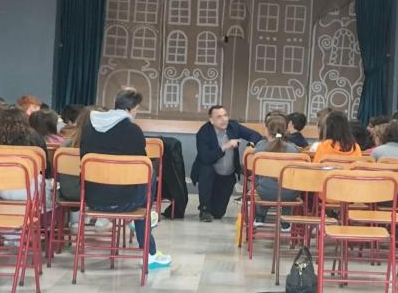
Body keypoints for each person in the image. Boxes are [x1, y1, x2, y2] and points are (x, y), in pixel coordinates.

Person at [79, 87, 171, 269]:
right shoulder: (133, 131)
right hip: (127, 202)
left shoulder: (89, 128)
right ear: (131, 108)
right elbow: (141, 169)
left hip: (93, 200)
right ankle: (149, 251)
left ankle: (146, 220)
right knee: (149, 171)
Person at [192, 105, 262, 222]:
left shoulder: (233, 126)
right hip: (210, 173)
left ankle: (212, 207)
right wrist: (224, 147)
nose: (224, 119)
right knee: (206, 169)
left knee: (218, 213)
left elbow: (256, 135)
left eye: (225, 115)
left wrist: (250, 145)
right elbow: (205, 157)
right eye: (219, 117)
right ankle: (204, 209)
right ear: (211, 120)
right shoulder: (204, 132)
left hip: (227, 175)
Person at [252, 114, 300, 229]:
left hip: (265, 192)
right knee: (289, 187)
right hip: (289, 194)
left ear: (267, 130)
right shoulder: (293, 149)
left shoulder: (260, 147)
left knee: (263, 183)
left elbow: (255, 173)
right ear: (285, 130)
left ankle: (260, 216)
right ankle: (286, 221)